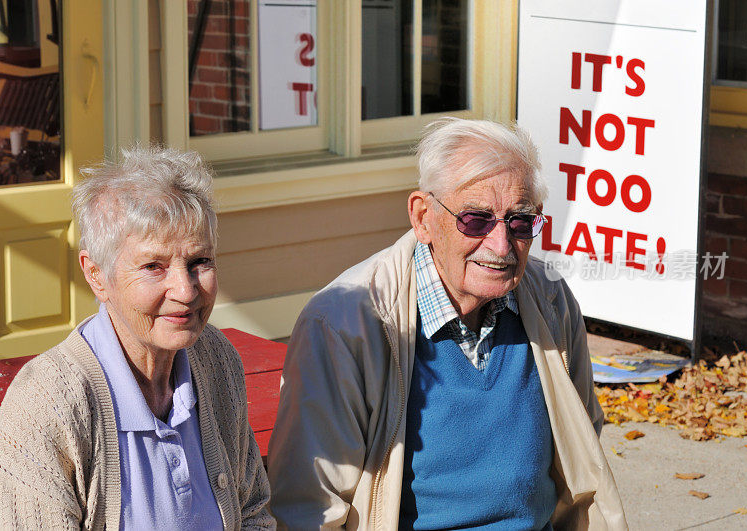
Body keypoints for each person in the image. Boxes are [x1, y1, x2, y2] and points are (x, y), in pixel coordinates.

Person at [267, 118, 627, 529]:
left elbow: (583, 450)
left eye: (520, 221)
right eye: (476, 220)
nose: (501, 245)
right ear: (423, 217)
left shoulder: (550, 300)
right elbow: (309, 510)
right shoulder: (342, 325)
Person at [0, 146, 275, 529]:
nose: (186, 291)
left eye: (199, 262)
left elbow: (252, 510)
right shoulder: (46, 406)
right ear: (96, 275)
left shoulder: (216, 359)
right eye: (153, 266)